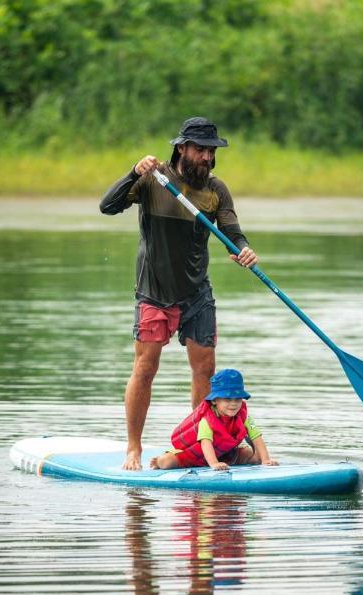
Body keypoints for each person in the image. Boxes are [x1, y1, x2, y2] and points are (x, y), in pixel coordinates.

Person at [99, 116, 258, 470]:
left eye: (211, 151)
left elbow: (233, 232)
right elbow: (107, 206)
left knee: (206, 371)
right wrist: (132, 172)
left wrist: (243, 249)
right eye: (200, 149)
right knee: (145, 367)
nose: (206, 157)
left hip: (197, 294)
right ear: (181, 148)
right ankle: (134, 448)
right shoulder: (153, 181)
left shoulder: (217, 190)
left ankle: (205, 450)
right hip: (153, 294)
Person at [150, 368, 277, 471]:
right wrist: (214, 464)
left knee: (253, 455)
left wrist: (265, 460)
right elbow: (206, 443)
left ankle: (253, 459)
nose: (233, 404)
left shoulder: (244, 417)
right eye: (227, 399)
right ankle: (159, 460)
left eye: (237, 399)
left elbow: (256, 438)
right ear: (215, 400)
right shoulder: (207, 420)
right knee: (166, 463)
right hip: (196, 456)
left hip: (225, 455)